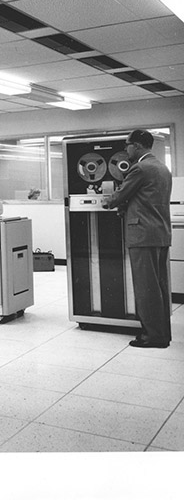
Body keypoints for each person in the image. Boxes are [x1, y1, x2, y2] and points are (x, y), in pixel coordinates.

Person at [102, 129, 173, 348]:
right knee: (159, 287)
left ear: (139, 146)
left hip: (142, 234)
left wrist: (106, 200)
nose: (126, 149)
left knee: (145, 288)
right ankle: (162, 334)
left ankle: (152, 337)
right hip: (159, 233)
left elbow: (118, 197)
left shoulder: (140, 168)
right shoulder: (162, 167)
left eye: (128, 145)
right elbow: (145, 199)